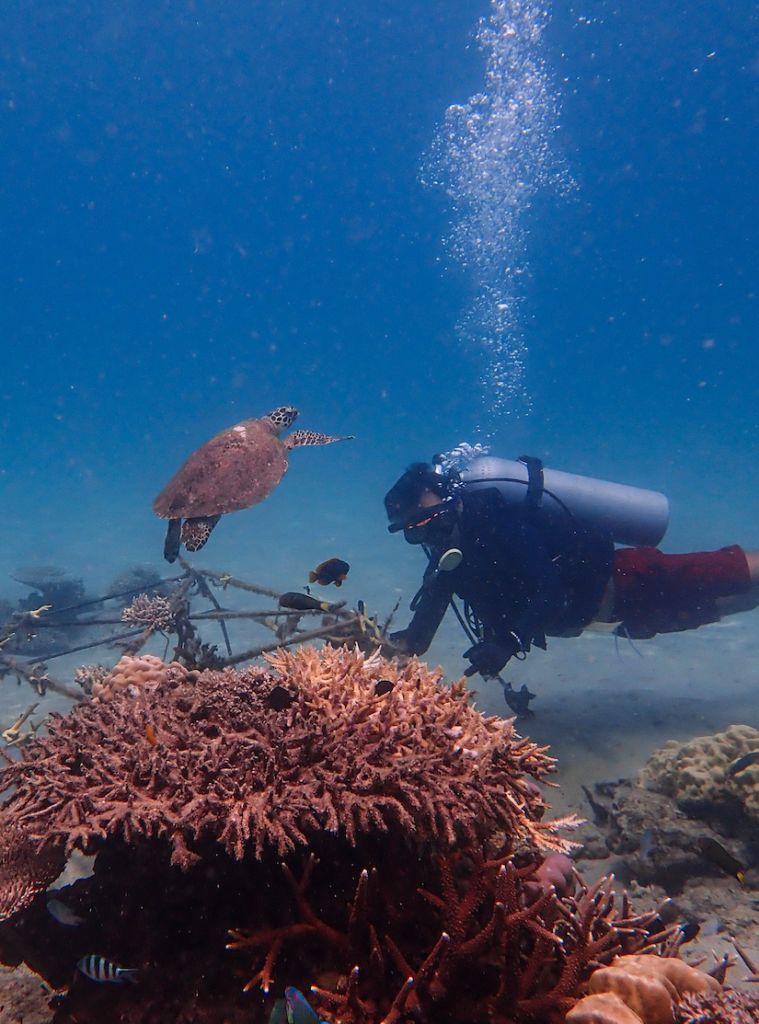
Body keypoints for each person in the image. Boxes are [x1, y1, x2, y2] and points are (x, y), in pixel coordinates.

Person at [384, 460, 759, 680]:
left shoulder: (498, 522)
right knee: (732, 603)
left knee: (732, 572)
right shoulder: (449, 554)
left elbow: (549, 589)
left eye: (427, 523)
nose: (428, 538)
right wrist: (373, 645)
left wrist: (508, 642)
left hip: (630, 581)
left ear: (448, 500)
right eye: (412, 534)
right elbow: (419, 632)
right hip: (614, 615)